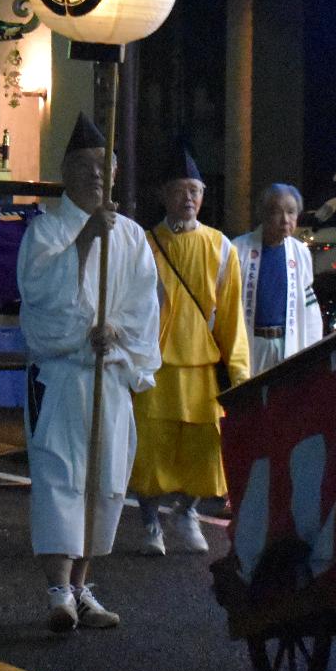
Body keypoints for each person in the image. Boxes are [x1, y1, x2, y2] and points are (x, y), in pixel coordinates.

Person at [17, 112, 161, 633]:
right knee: (62, 477)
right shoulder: (46, 231)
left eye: (104, 167)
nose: (95, 176)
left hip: (110, 376)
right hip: (64, 379)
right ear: (64, 172)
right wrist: (82, 244)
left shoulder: (132, 237)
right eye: (83, 166)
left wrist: (115, 333)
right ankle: (58, 589)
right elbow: (40, 299)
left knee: (106, 480)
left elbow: (144, 305)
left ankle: (82, 586)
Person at [131, 140, 250, 556]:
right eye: (180, 190)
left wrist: (240, 376)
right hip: (156, 366)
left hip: (202, 366)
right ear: (163, 195)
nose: (188, 198)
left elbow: (233, 318)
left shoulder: (221, 247)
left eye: (195, 191)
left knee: (206, 449)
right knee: (151, 446)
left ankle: (187, 511)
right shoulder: (143, 243)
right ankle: (149, 523)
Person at [232, 183, 325, 377]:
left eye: (291, 212)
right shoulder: (238, 249)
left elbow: (309, 308)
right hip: (251, 344)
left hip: (287, 343)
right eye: (276, 212)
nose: (285, 220)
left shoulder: (300, 252)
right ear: (262, 214)